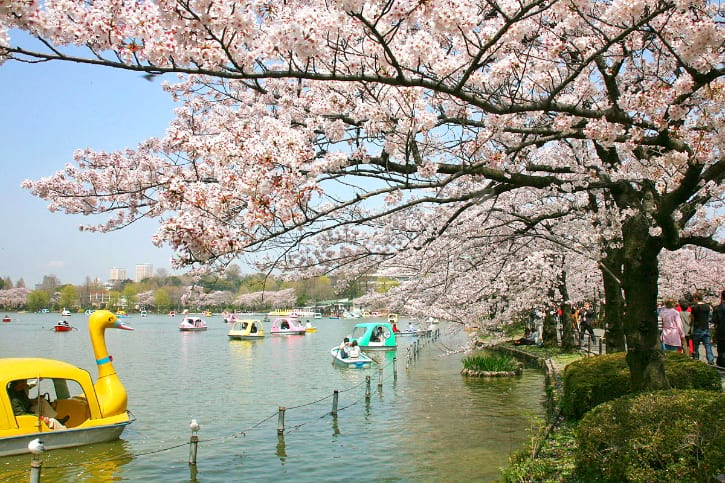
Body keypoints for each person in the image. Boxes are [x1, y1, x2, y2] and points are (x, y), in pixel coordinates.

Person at [690, 293, 715, 364]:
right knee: (707, 345)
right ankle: (710, 359)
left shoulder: (694, 307)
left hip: (697, 327)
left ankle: (696, 358)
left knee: (696, 345)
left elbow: (692, 318)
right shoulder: (707, 307)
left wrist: (690, 325)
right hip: (705, 327)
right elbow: (709, 317)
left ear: (696, 298)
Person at [712, 290, 725, 367]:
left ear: (722, 296)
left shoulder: (717, 308)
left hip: (721, 331)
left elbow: (714, 320)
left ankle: (722, 363)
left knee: (721, 349)